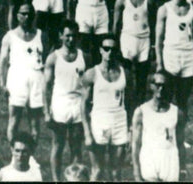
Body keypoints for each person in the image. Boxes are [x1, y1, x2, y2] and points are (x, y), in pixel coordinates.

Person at [155, 0, 193, 143]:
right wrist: (159, 62)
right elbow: (158, 39)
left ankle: (180, 137)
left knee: (182, 101)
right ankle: (164, 135)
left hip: (188, 56)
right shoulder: (164, 9)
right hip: (170, 56)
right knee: (166, 99)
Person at [80, 35, 128, 182]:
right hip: (99, 121)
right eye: (106, 49)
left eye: (113, 49)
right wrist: (87, 132)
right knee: (98, 171)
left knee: (116, 172)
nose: (110, 52)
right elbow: (83, 105)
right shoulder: (92, 73)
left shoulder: (125, 73)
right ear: (101, 50)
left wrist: (131, 129)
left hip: (120, 121)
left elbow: (131, 103)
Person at [44, 20, 86, 181]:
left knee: (76, 146)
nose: (71, 39)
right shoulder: (53, 58)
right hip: (60, 103)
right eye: (67, 36)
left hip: (77, 104)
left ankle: (75, 179)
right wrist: (46, 112)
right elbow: (45, 87)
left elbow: (88, 84)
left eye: (74, 36)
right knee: (58, 144)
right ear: (61, 36)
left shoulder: (84, 57)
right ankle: (56, 180)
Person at [0, 0, 44, 148]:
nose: (27, 17)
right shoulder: (9, 36)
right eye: (23, 14)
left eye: (30, 14)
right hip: (17, 77)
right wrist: (2, 83)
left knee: (35, 122)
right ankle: (14, 153)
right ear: (17, 16)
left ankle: (31, 157)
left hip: (36, 78)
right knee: (14, 119)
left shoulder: (41, 35)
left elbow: (45, 57)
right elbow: (3, 62)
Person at [131, 71, 182, 183]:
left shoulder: (176, 112)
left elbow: (180, 143)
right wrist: (136, 173)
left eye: (164, 85)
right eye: (158, 85)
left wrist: (183, 169)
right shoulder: (141, 111)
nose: (161, 89)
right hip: (149, 160)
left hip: (170, 161)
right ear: (151, 86)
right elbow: (136, 144)